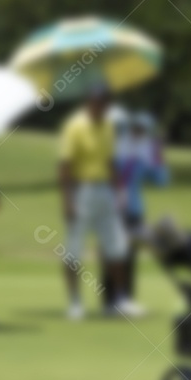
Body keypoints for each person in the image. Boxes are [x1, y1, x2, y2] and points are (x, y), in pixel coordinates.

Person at [58, 83, 138, 320]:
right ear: (88, 102)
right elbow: (65, 166)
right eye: (96, 101)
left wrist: (120, 191)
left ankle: (119, 300)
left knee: (117, 247)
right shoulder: (74, 126)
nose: (99, 106)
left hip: (105, 191)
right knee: (74, 250)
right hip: (81, 190)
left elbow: (110, 162)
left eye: (103, 102)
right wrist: (67, 200)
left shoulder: (109, 127)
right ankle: (74, 303)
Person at [100, 111, 169, 306]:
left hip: (133, 210)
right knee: (111, 253)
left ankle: (125, 299)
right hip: (111, 207)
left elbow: (161, 181)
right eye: (136, 127)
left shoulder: (147, 151)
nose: (138, 131)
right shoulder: (117, 146)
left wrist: (159, 154)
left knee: (129, 255)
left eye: (143, 129)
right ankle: (110, 300)